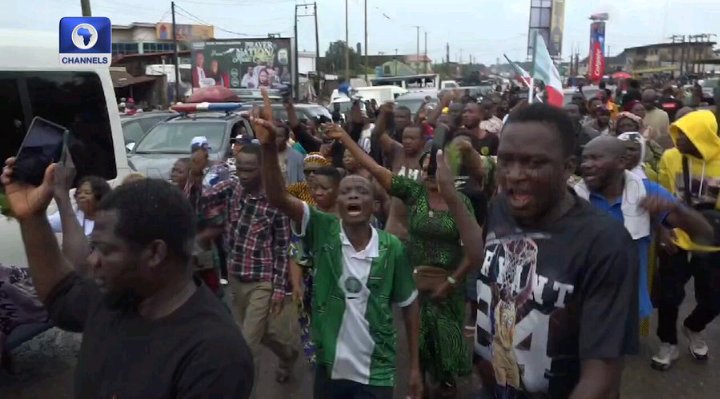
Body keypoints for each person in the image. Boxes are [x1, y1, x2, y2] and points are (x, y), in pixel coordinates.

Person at [1, 163, 253, 398]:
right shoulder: (117, 294)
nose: (92, 261)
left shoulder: (214, 356)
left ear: (155, 253)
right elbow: (61, 296)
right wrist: (31, 217)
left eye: (106, 250)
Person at [439, 103, 639, 398]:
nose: (515, 174)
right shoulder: (501, 208)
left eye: (534, 163)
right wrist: (453, 199)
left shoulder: (604, 243)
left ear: (568, 168)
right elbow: (489, 261)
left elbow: (602, 377)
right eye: (506, 161)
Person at [251, 89, 423, 399]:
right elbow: (277, 197)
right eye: (347, 192)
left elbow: (410, 308)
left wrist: (414, 368)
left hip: (377, 371)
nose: (354, 195)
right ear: (338, 202)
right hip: (330, 370)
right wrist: (266, 148)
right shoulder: (321, 226)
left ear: (374, 205)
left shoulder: (392, 248)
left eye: (362, 191)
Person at [339, 127, 474, 397]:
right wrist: (344, 138)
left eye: (433, 170)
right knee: (419, 347)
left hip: (449, 290)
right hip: (418, 286)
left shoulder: (462, 203)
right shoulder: (415, 194)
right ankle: (418, 386)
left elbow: (474, 252)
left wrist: (451, 282)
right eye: (425, 171)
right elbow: (376, 169)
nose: (427, 175)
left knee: (446, 360)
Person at [576, 136, 712, 343]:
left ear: (621, 162)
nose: (586, 165)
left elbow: (704, 234)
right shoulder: (572, 197)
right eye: (584, 158)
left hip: (623, 305)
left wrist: (675, 209)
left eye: (595, 158)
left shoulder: (646, 192)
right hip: (576, 303)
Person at [201, 143, 298, 394]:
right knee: (261, 334)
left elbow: (282, 247)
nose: (244, 174)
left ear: (263, 169)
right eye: (240, 168)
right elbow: (203, 198)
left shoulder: (276, 202)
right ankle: (288, 355)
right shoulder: (232, 188)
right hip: (235, 275)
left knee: (246, 346)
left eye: (250, 169)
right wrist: (194, 174)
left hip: (262, 279)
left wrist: (279, 290)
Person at [653, 110, 720, 370]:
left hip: (713, 243)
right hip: (676, 240)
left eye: (686, 134)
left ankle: (694, 326)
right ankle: (667, 342)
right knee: (668, 297)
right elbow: (664, 196)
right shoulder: (671, 158)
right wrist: (662, 229)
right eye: (677, 132)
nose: (678, 139)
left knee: (714, 299)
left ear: (702, 136)